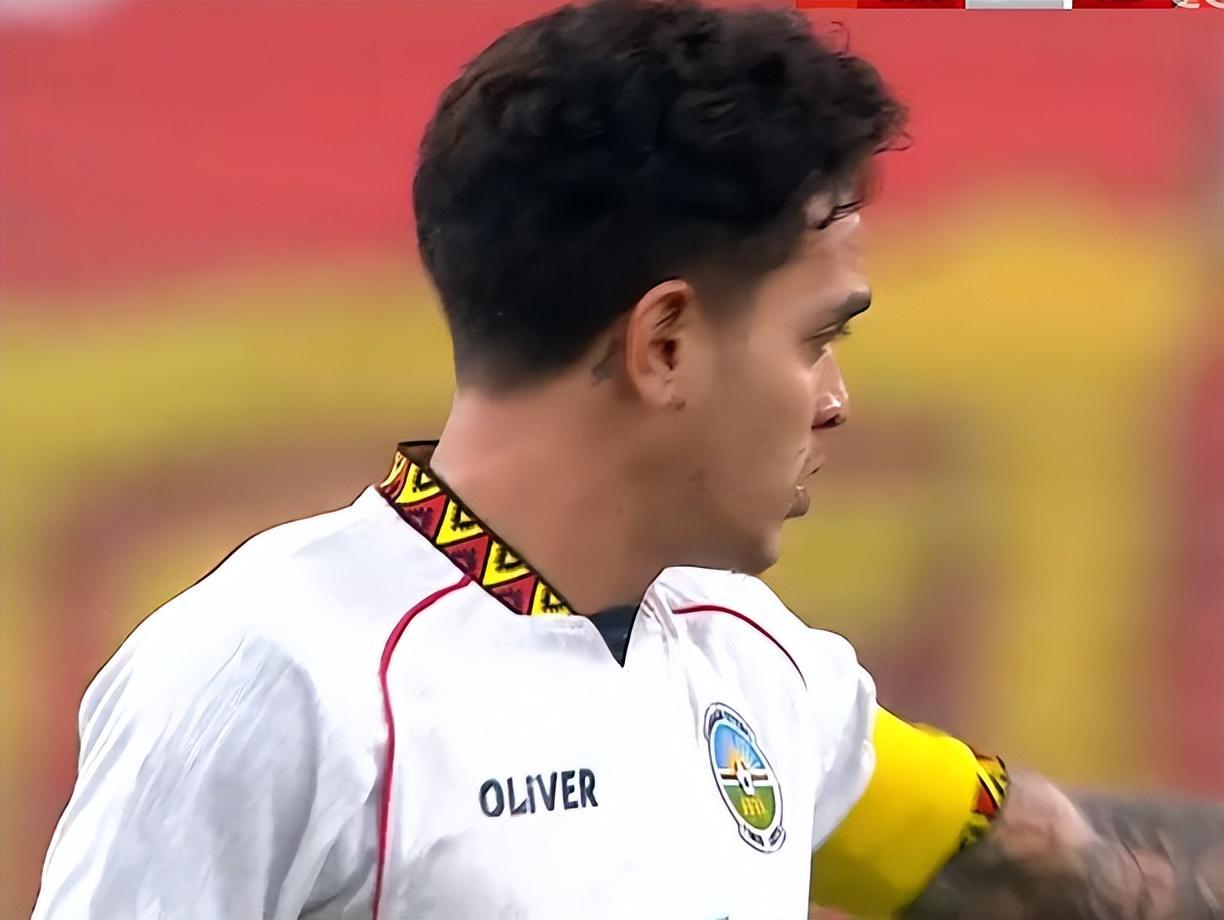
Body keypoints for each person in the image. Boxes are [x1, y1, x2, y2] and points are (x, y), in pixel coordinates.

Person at [34, 1, 1222, 918]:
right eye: (816, 340)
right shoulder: (271, 676)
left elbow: (1049, 863)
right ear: (664, 344)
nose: (836, 401)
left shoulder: (754, 662)